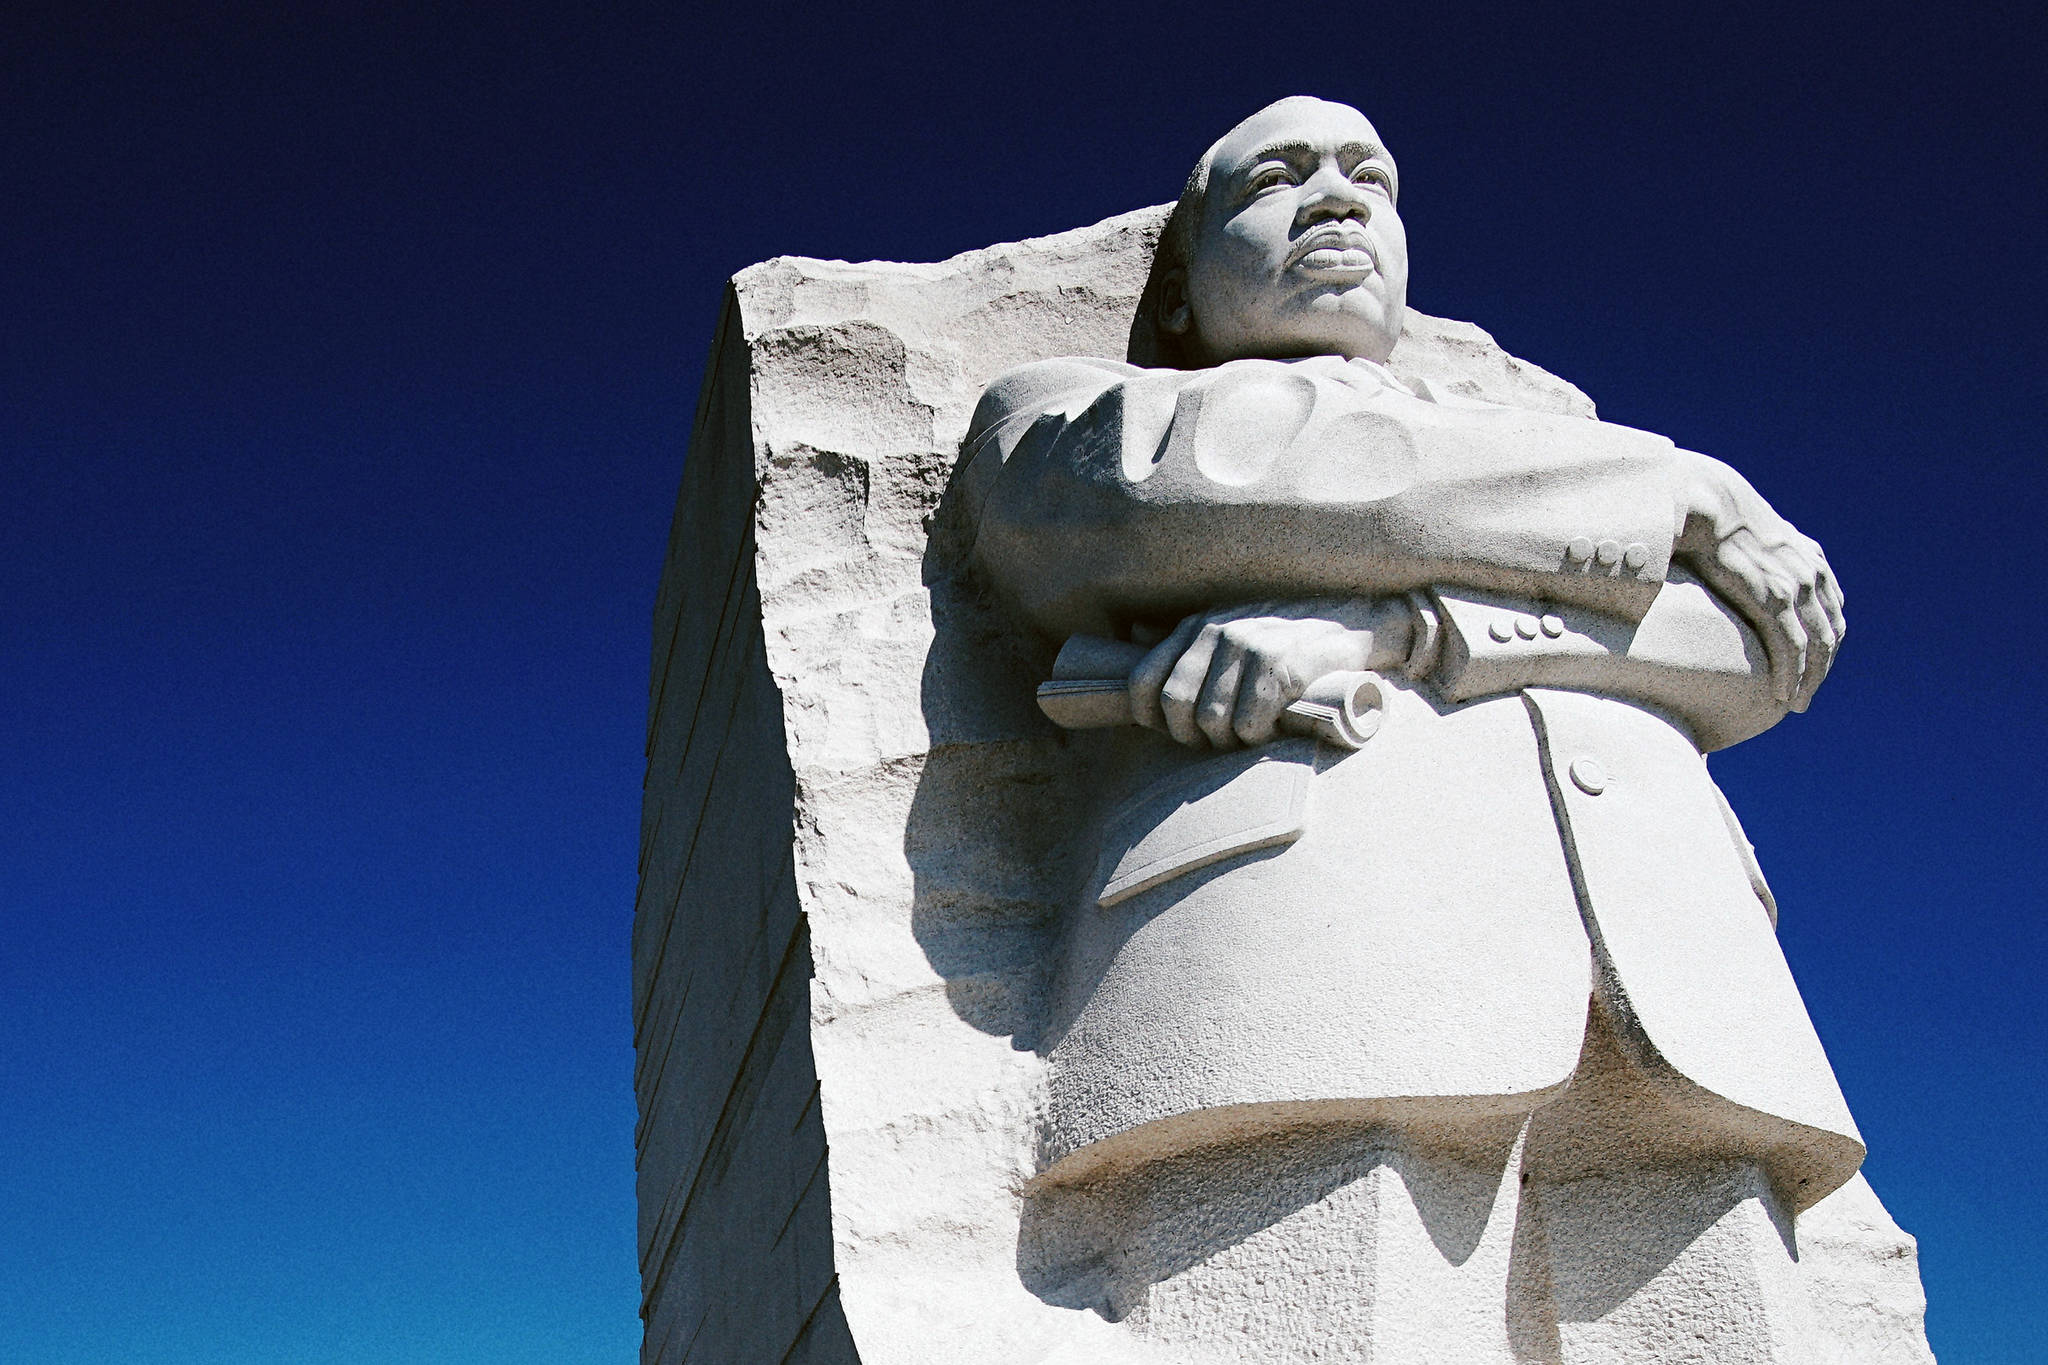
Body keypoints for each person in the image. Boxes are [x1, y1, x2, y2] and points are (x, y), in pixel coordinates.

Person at [963, 97, 1865, 1362]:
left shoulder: (1539, 446)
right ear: (1174, 291)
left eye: (1368, 179)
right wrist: (1684, 490)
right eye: (1275, 179)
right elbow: (1159, 495)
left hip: (1670, 960)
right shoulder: (1076, 407)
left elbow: (1755, 649)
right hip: (1316, 956)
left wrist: (1391, 629)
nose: (1336, 199)